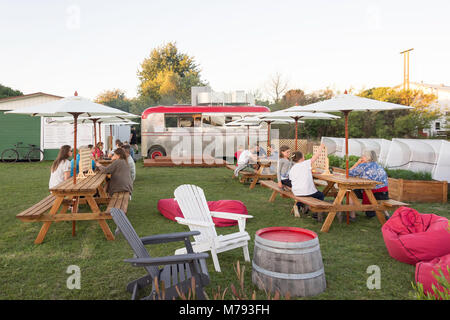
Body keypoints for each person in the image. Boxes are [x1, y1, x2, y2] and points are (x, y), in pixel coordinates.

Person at [348, 150, 389, 220]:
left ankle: (352, 216)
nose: (361, 157)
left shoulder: (363, 165)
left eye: (363, 156)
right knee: (376, 196)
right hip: (383, 193)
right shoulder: (379, 166)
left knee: (351, 193)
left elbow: (349, 173)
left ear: (367, 157)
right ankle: (387, 215)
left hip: (371, 191)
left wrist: (357, 163)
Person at [289, 144, 327, 218]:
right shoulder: (306, 163)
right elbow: (316, 156)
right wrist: (321, 147)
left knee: (303, 195)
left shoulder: (292, 168)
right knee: (320, 195)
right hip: (306, 191)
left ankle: (298, 205)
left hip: (296, 192)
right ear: (302, 158)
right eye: (303, 156)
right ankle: (316, 213)